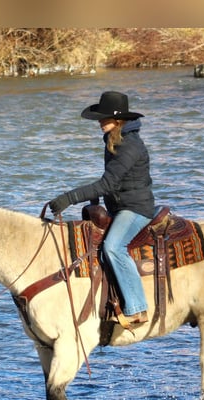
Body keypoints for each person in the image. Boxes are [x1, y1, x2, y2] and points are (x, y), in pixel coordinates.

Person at [48, 91, 155, 325]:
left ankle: (137, 309)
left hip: (135, 208)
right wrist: (95, 201)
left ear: (118, 120)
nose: (99, 121)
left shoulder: (130, 146)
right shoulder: (115, 140)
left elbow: (108, 183)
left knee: (113, 247)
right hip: (119, 206)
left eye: (103, 117)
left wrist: (70, 197)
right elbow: (111, 180)